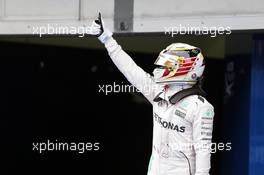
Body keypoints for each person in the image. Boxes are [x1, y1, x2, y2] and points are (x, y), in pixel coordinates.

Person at [90, 13, 215, 175]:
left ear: (186, 69)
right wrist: (106, 38)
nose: (161, 69)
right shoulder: (159, 93)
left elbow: (203, 152)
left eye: (168, 65)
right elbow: (131, 70)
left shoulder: (201, 107)